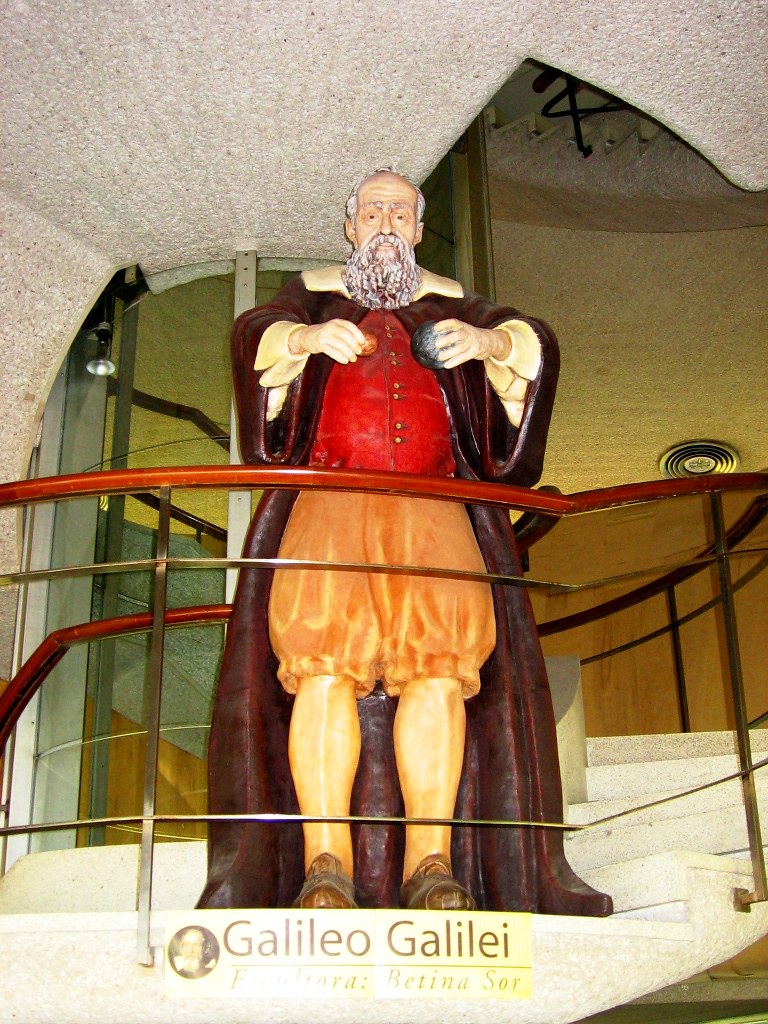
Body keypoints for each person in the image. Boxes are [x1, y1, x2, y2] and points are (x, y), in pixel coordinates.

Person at [197, 169, 611, 917]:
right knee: (322, 670)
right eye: (372, 211)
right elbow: (256, 336)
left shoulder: (456, 305)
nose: (385, 223)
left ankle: (432, 863)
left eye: (400, 212)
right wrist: (306, 337)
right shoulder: (309, 299)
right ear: (350, 228)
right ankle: (326, 866)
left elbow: (532, 343)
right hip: (330, 504)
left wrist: (487, 341)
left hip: (434, 506)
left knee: (441, 672)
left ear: (419, 230)